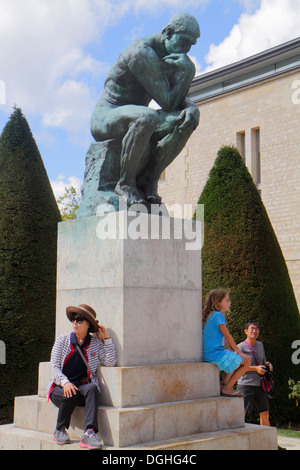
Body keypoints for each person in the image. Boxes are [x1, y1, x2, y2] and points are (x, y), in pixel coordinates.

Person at [90, 13, 200, 206]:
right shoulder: (141, 52)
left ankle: (148, 180)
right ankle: (125, 184)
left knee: (187, 118)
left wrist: (191, 108)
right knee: (146, 116)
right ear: (168, 32)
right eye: (184, 41)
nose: (187, 49)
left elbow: (178, 100)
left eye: (191, 44)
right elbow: (168, 102)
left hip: (138, 118)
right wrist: (189, 72)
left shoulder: (172, 59)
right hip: (107, 116)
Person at [47, 304, 117, 449]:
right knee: (70, 393)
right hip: (60, 389)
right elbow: (54, 368)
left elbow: (110, 362)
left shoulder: (95, 343)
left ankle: (89, 433)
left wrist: (107, 337)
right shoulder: (62, 341)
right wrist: (65, 382)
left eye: (79, 320)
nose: (75, 323)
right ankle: (59, 429)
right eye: (73, 319)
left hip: (82, 388)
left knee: (92, 388)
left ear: (88, 324)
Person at [202, 289, 251, 396]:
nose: (230, 303)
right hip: (214, 353)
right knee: (247, 362)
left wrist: (231, 351)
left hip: (211, 353)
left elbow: (223, 338)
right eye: (227, 300)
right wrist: (238, 352)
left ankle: (223, 385)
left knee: (233, 358)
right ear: (219, 303)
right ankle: (228, 388)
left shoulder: (212, 315)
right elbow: (227, 336)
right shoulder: (218, 315)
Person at [237, 320, 273, 426]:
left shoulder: (260, 345)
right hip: (245, 384)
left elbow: (262, 361)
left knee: (265, 413)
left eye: (257, 328)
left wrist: (267, 364)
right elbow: (237, 367)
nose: (254, 331)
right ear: (246, 331)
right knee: (240, 413)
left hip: (260, 385)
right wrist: (255, 369)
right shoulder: (240, 347)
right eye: (252, 328)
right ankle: (237, 438)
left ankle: (266, 441)